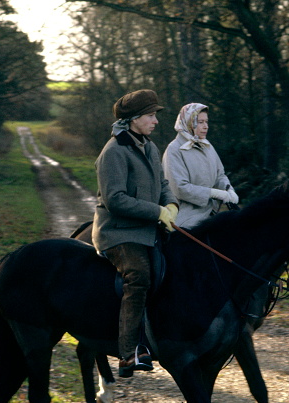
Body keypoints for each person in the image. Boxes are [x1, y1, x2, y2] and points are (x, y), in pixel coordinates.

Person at [91, 89, 179, 378]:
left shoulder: (150, 147)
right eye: (151, 115)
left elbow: (163, 183)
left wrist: (171, 205)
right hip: (118, 233)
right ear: (134, 119)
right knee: (139, 275)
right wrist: (156, 213)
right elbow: (115, 199)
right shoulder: (113, 151)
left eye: (155, 115)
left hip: (147, 229)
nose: (155, 121)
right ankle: (129, 353)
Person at [162, 103, 238, 229]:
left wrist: (228, 190)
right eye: (201, 122)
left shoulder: (207, 146)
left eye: (207, 122)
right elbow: (180, 188)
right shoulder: (174, 150)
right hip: (186, 218)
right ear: (188, 122)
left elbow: (220, 175)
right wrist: (213, 193)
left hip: (212, 214)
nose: (206, 126)